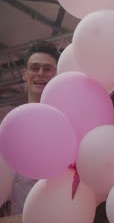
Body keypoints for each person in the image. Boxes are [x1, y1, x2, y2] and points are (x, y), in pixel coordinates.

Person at [1, 41, 60, 217]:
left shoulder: (64, 122)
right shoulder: (9, 123)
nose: (41, 73)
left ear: (56, 74)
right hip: (16, 216)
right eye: (35, 68)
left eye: (47, 69)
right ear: (24, 74)